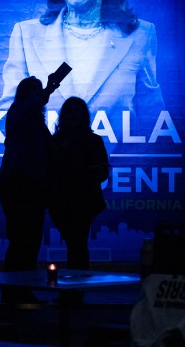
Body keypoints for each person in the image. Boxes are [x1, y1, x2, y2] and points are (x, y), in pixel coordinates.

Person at [0, 0, 164, 138]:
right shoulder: (26, 34)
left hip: (111, 167)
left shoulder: (141, 34)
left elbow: (153, 118)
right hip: (47, 165)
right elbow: (6, 116)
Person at [0, 75, 61, 302]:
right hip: (19, 184)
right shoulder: (17, 112)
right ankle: (14, 290)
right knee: (22, 239)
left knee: (29, 239)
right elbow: (32, 104)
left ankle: (19, 288)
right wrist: (48, 90)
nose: (38, 93)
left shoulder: (33, 122)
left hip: (30, 186)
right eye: (33, 90)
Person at [48, 96, 109, 269]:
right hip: (66, 201)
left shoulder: (60, 142)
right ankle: (76, 289)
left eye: (76, 112)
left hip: (80, 201)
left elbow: (102, 173)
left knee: (77, 245)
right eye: (71, 112)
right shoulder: (58, 142)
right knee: (77, 245)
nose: (73, 116)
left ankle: (75, 290)